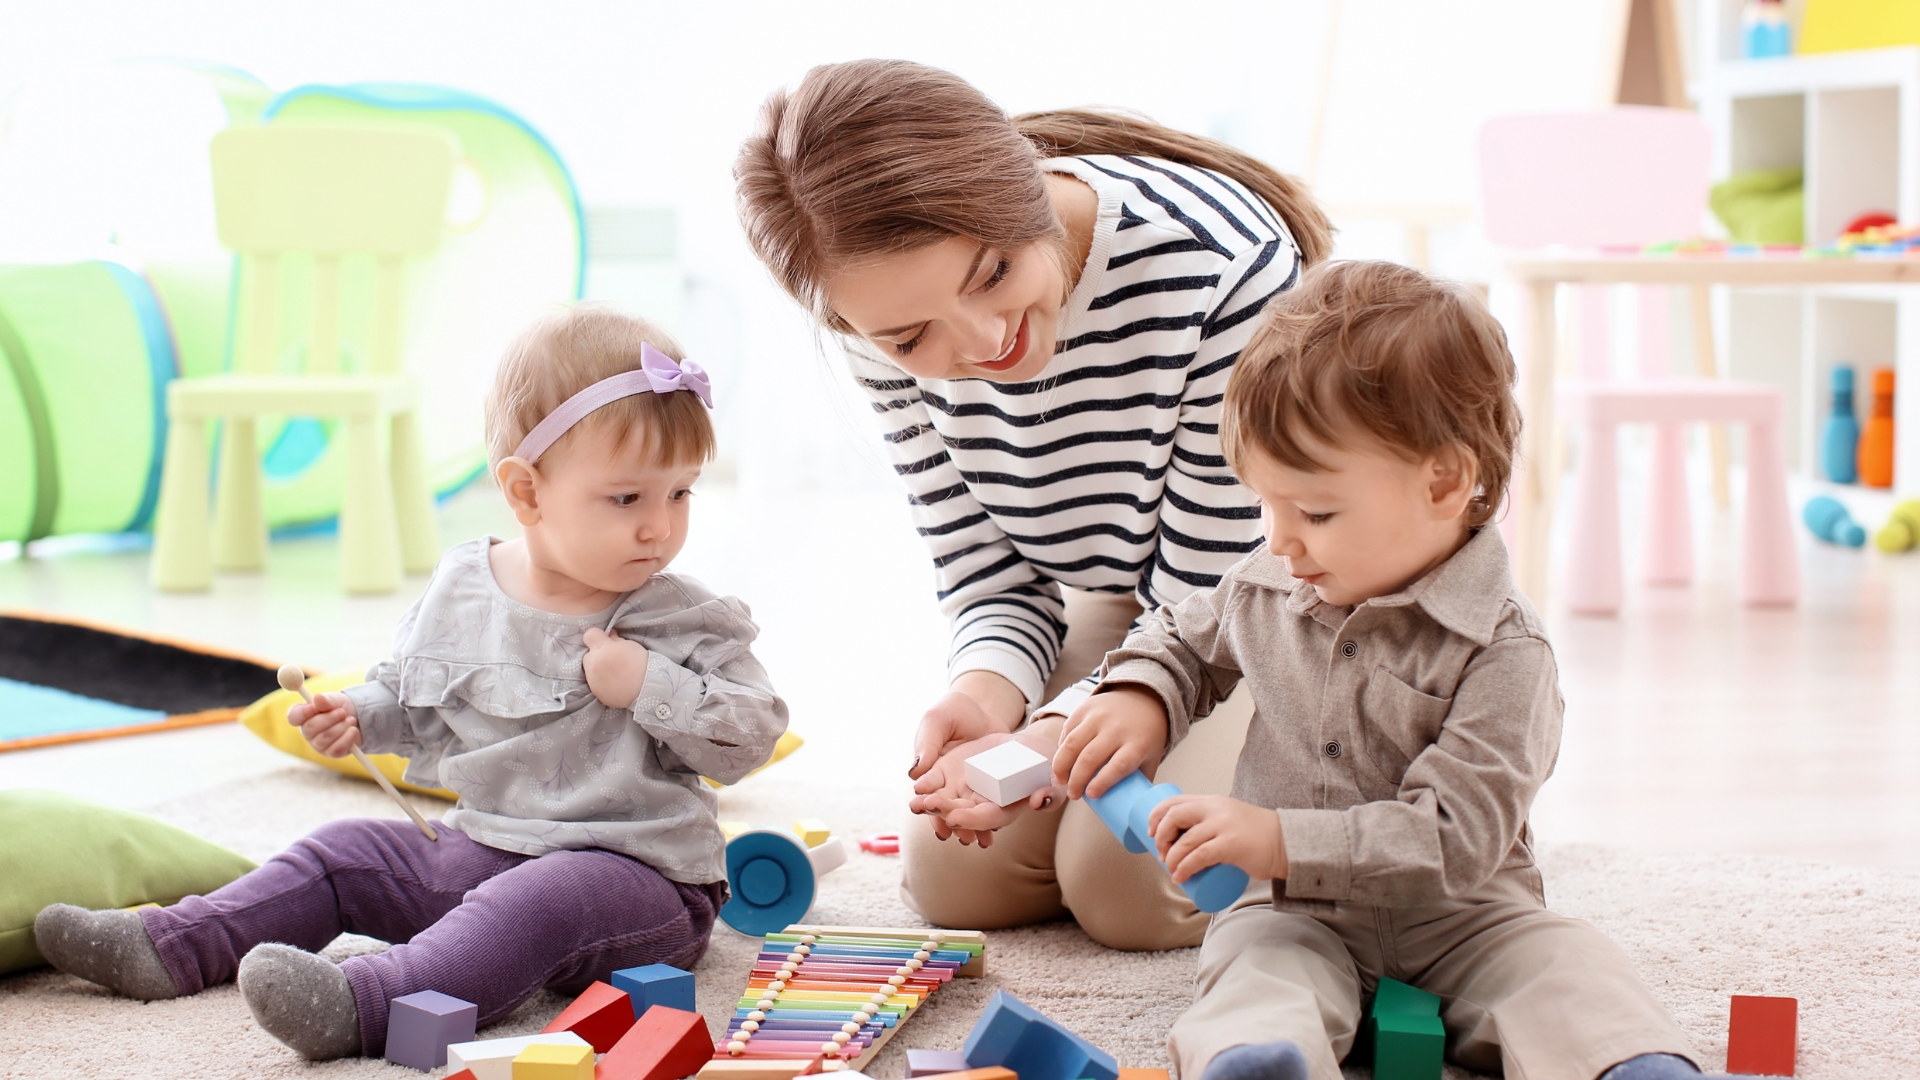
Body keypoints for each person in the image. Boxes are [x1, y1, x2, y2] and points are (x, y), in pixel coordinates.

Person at [33, 307, 788, 1060]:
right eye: (628, 498)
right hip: (485, 846)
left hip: (638, 883)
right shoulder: (465, 585)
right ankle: (170, 945)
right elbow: (414, 694)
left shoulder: (681, 617)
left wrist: (650, 683)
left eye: (681, 493)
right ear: (526, 493)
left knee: (537, 901)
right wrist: (360, 714)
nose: (661, 526)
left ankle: (369, 1001)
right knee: (343, 852)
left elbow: (751, 734)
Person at [1051, 260, 1723, 1080]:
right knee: (1254, 971)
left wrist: (1278, 837)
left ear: (1444, 481)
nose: (1280, 539)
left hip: (1466, 915)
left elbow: (1456, 838)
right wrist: (1139, 694)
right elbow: (1182, 641)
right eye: (1265, 504)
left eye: (1316, 511)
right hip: (1291, 911)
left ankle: (1631, 1064)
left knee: (1565, 967)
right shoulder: (1267, 583)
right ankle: (1259, 1064)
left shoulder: (1507, 653)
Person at [735, 59, 1331, 948]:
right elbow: (988, 576)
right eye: (910, 337)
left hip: (1263, 604)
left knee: (1131, 885)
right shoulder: (874, 330)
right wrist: (988, 695)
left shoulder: (1219, 267)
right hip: (1128, 597)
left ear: (1025, 195)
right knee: (957, 876)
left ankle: (1342, 797)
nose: (982, 343)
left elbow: (1208, 598)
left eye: (992, 273)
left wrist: (1051, 737)